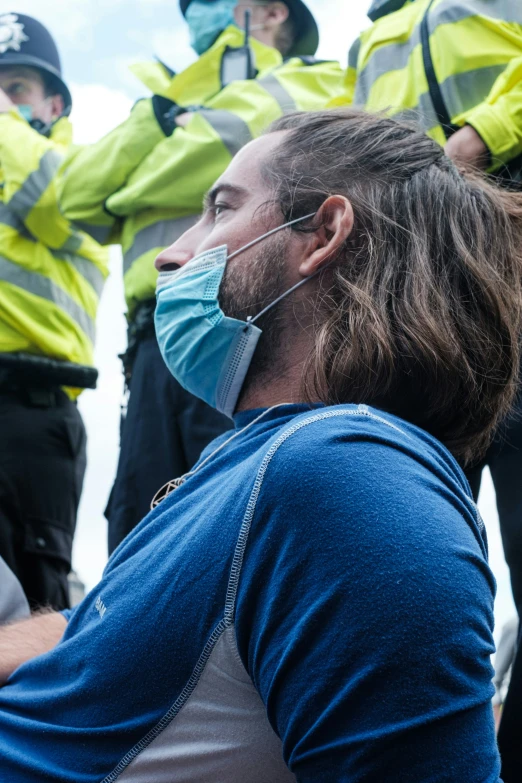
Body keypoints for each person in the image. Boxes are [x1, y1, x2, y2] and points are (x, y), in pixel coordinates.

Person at [0, 108, 520, 781]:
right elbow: (104, 627)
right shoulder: (262, 467)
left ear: (323, 234)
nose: (170, 254)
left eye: (221, 207)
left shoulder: (349, 477)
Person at [60, 0, 343, 555]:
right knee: (140, 522)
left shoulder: (309, 79)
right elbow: (74, 195)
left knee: (239, 521)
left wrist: (128, 187)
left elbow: (218, 152)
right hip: (157, 337)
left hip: (250, 318)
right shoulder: (165, 108)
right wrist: (161, 121)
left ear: (270, 12)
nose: (197, 14)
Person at [341, 3, 522, 777]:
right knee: (393, 558)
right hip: (420, 300)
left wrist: (486, 132)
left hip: (508, 254)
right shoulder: (370, 36)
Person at [0, 13, 109, 611]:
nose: (5, 102)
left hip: (27, 412)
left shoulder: (81, 175)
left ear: (55, 105)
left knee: (28, 607)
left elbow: (50, 205)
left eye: (16, 87)